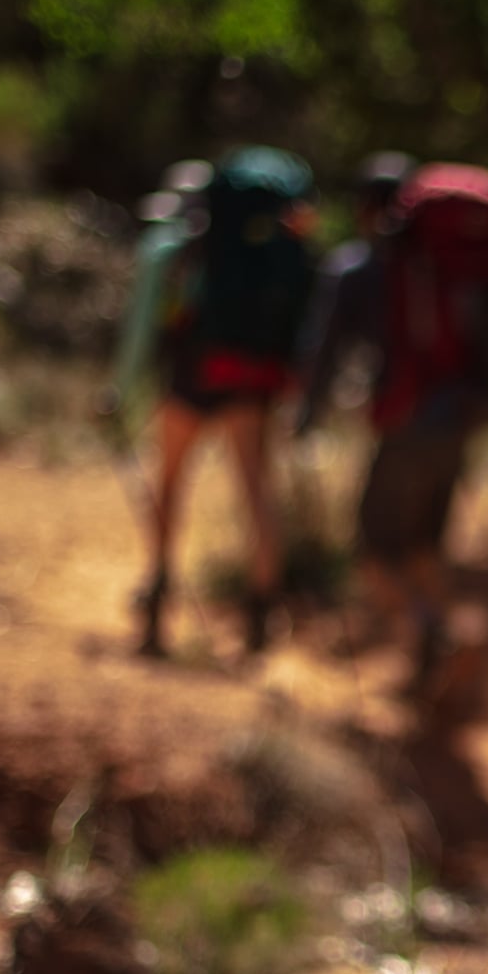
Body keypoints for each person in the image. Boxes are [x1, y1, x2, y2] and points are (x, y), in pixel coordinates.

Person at [296, 156, 488, 688]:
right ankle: (431, 660)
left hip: (406, 423)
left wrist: (306, 418)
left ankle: (436, 634)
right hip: (462, 419)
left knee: (371, 550)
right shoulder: (454, 262)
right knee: (425, 545)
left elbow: (325, 352)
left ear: (368, 209)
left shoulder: (361, 268)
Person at [108, 146, 318, 657]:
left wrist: (120, 389)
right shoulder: (283, 251)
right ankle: (261, 612)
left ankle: (158, 593)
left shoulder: (174, 249)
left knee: (170, 483)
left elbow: (141, 328)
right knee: (256, 492)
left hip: (191, 378)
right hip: (251, 384)